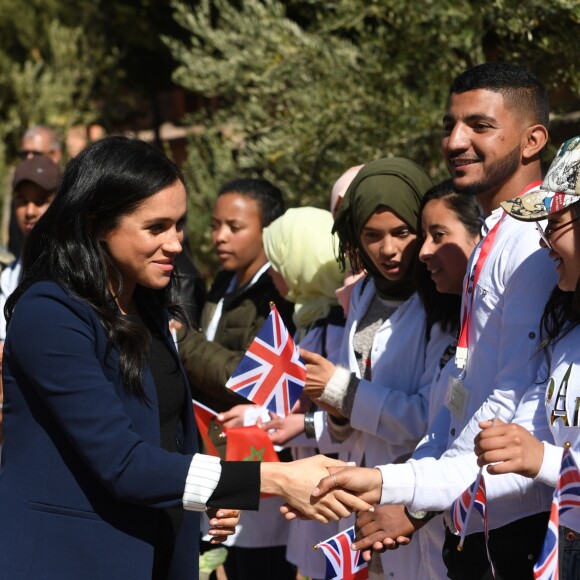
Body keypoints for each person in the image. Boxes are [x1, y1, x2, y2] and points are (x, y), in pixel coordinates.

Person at [0, 136, 371, 580]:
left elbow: (169, 434)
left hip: (159, 553)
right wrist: (272, 481)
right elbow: (124, 463)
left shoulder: (146, 307)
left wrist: (213, 494)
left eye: (179, 225)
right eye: (156, 228)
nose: (176, 243)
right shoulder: (49, 314)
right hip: (70, 558)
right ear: (98, 224)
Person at [312, 62, 558, 579]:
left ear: (533, 140)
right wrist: (398, 484)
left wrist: (402, 490)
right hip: (467, 515)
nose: (455, 141)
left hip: (510, 521)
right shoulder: (498, 231)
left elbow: (513, 409)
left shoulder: (535, 244)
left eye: (480, 126)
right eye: (450, 125)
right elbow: (459, 399)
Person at [299, 157, 455, 579]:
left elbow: (428, 416)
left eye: (402, 232)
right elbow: (352, 413)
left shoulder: (440, 302)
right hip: (359, 500)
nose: (388, 249)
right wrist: (335, 412)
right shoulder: (364, 292)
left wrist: (340, 391)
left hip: (414, 506)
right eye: (372, 236)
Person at [473, 135, 580, 579]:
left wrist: (541, 460)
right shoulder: (566, 331)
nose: (542, 243)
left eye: (554, 223)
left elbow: (545, 455)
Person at [259, 206, 347, 579]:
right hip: (314, 495)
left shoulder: (340, 326)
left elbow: (344, 410)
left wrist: (306, 424)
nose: (273, 275)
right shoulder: (310, 319)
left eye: (275, 263)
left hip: (334, 492)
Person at [178, 177, 294, 414]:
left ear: (269, 229)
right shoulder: (223, 280)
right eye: (214, 225)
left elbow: (253, 378)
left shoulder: (276, 295)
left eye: (234, 227)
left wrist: (184, 341)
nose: (219, 237)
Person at [0, 156, 61, 453]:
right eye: (22, 201)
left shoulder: (75, 270)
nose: (30, 210)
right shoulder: (8, 275)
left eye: (41, 200)